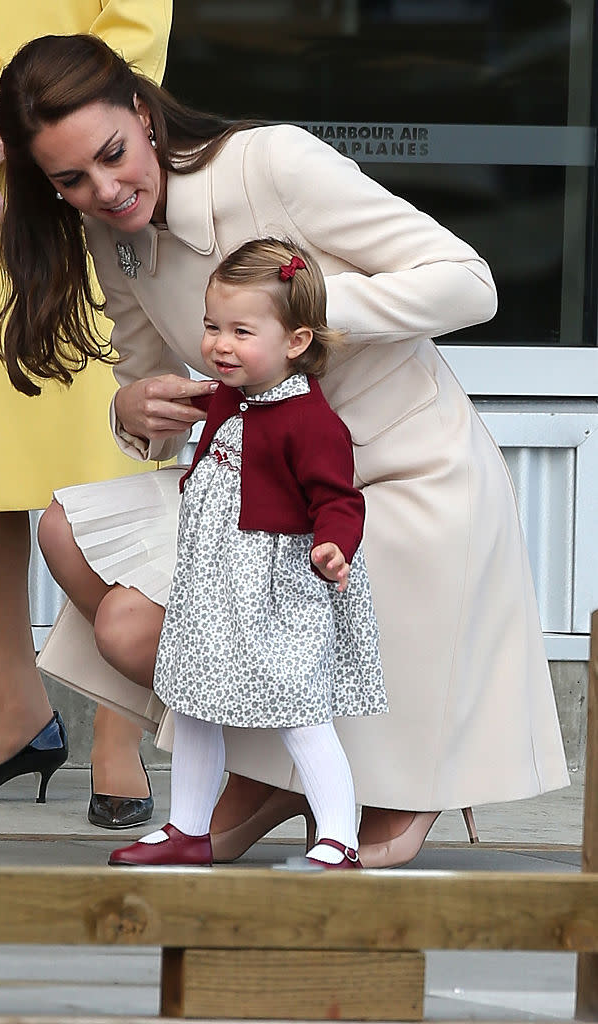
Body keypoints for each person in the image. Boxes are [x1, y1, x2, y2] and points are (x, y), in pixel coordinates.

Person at [0, 33, 569, 867]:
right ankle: (274, 762)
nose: (105, 190)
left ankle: (324, 767)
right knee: (66, 537)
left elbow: (467, 282)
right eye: (70, 180)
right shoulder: (112, 234)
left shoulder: (268, 164)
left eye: (113, 156)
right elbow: (152, 396)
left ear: (144, 115)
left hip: (396, 485)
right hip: (260, 495)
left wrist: (298, 313)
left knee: (132, 616)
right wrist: (130, 407)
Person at [0, 3, 172, 827]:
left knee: (108, 447)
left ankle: (118, 738)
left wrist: (10, 136)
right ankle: (18, 712)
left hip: (67, 182)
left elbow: (134, 27)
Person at [107, 238, 387, 869]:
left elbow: (340, 498)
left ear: (295, 342)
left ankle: (339, 836)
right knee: (197, 700)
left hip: (276, 589)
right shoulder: (227, 397)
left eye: (240, 331)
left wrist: (335, 546)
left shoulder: (310, 421)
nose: (220, 345)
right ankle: (188, 828)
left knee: (300, 709)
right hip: (213, 583)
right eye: (211, 327)